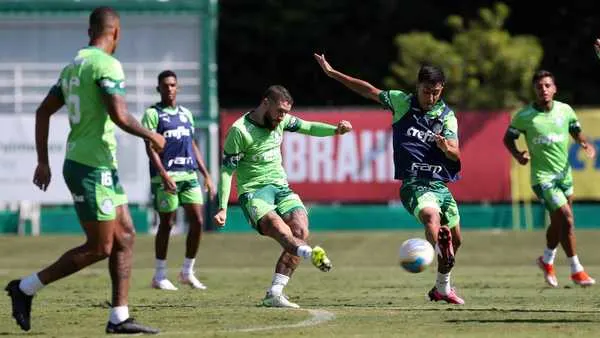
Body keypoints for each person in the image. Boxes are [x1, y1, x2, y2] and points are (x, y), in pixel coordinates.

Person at [5, 7, 163, 334]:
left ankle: (119, 316)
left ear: (89, 31)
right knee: (100, 246)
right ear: (115, 32)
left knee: (126, 237)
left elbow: (42, 112)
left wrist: (43, 160)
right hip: (91, 167)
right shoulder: (106, 64)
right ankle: (25, 288)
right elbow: (119, 114)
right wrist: (150, 134)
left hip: (98, 165)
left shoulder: (72, 67)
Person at [314, 54, 464, 304]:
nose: (432, 97)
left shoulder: (447, 116)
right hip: (414, 182)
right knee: (430, 216)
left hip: (440, 184)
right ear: (417, 87)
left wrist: (446, 148)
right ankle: (440, 249)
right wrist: (333, 73)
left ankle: (441, 288)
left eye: (437, 92)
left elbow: (457, 153)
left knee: (457, 240)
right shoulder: (401, 101)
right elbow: (368, 90)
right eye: (427, 91)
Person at [213, 85, 352, 308]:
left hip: (281, 188)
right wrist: (222, 207)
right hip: (254, 193)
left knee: (300, 231)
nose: (283, 117)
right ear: (265, 102)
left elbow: (308, 127)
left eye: (286, 112)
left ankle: (275, 292)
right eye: (280, 111)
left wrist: (335, 130)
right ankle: (309, 254)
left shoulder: (282, 120)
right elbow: (227, 171)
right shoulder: (240, 131)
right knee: (281, 230)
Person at [503, 70, 596, 288]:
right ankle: (576, 270)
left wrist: (584, 142)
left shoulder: (565, 110)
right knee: (568, 218)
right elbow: (508, 138)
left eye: (547, 85)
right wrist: (518, 154)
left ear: (554, 89)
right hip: (542, 178)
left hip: (565, 176)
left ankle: (546, 259)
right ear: (534, 90)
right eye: (539, 87)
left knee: (559, 223)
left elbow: (575, 130)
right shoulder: (525, 116)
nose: (543, 90)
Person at [142, 70, 215, 291]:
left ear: (178, 88)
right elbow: (150, 146)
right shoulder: (153, 114)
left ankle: (187, 271)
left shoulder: (186, 114)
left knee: (198, 221)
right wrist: (163, 175)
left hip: (189, 174)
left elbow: (192, 145)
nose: (169, 89)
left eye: (173, 85)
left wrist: (206, 174)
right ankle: (160, 275)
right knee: (167, 223)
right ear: (159, 89)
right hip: (166, 177)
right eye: (165, 85)